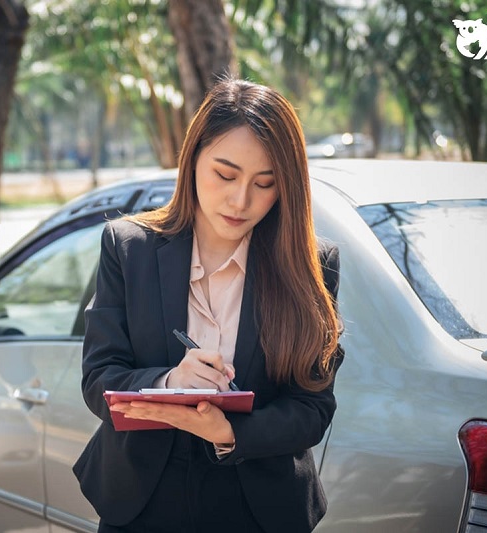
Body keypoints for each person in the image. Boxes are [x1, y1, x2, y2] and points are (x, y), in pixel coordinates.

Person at [72, 77, 344, 533]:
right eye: (225, 174)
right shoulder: (128, 248)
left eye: (265, 183)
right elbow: (99, 378)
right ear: (193, 158)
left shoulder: (312, 265)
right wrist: (168, 380)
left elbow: (313, 409)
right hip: (141, 501)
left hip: (259, 506)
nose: (241, 200)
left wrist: (230, 433)